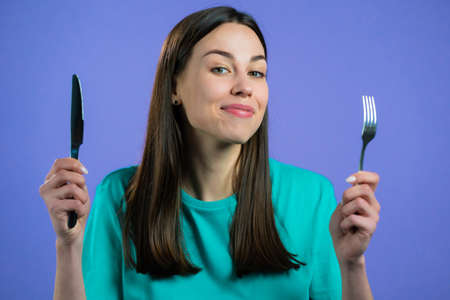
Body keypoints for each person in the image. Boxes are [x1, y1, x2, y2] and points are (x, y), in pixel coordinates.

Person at [39, 6, 381, 300]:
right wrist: (68, 245)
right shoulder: (120, 196)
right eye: (221, 68)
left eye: (256, 72)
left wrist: (352, 264)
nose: (244, 87)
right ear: (175, 86)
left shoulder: (311, 197)